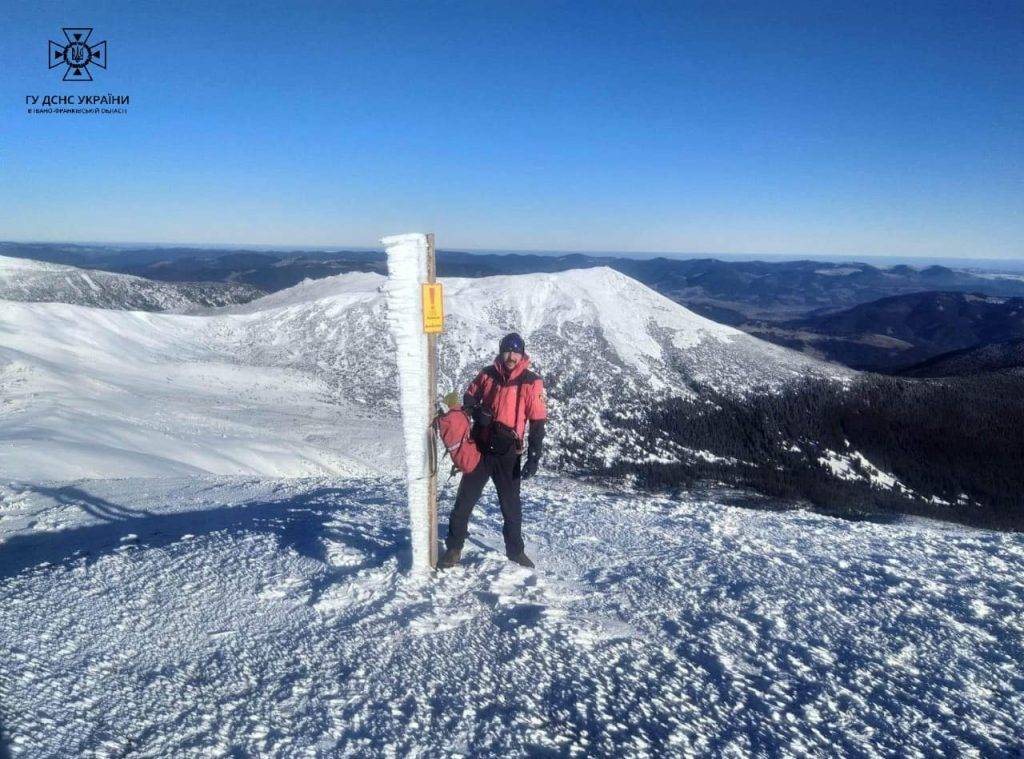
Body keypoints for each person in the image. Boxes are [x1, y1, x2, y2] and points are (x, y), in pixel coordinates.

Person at [437, 332, 547, 570]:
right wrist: (478, 412)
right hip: (481, 448)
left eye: (516, 352)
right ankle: (454, 548)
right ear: (501, 351)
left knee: (511, 507)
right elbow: (469, 396)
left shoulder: (531, 381)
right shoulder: (487, 374)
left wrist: (534, 456)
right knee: (464, 501)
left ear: (522, 354)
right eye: (507, 350)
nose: (511, 356)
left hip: (508, 454)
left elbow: (538, 420)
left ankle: (515, 551)